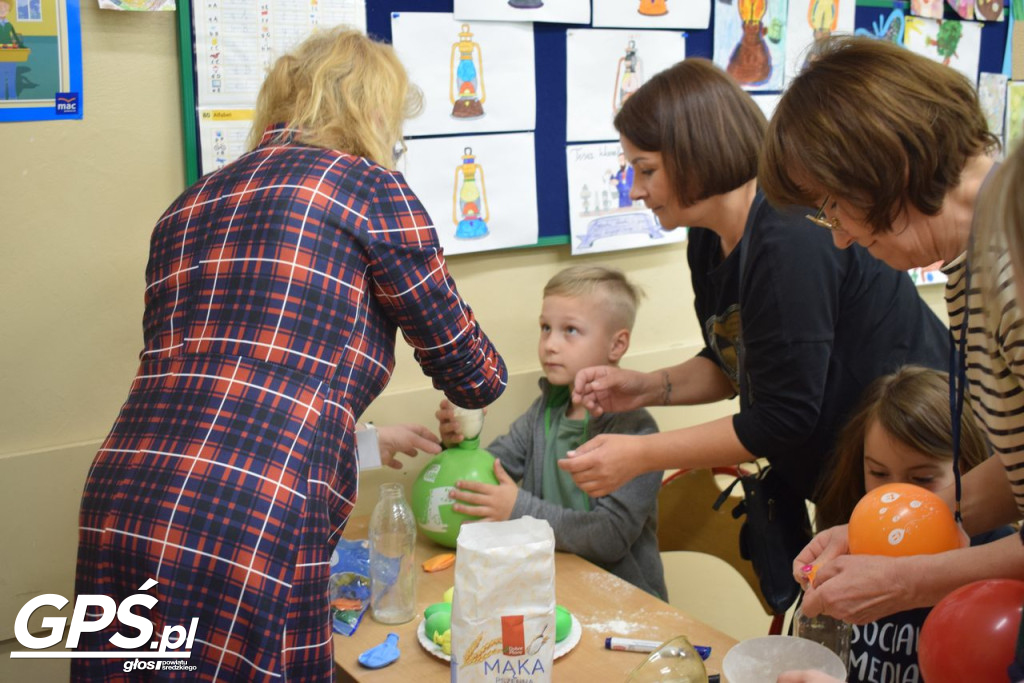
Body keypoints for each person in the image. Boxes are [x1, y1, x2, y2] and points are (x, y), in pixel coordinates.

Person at [73, 28, 507, 682]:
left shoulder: (189, 204)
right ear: (373, 111)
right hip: (253, 506)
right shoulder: (367, 188)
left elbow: (224, 377)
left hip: (126, 491)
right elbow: (472, 372)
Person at [558, 59, 947, 527]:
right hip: (847, 479)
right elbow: (740, 361)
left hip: (918, 470)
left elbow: (784, 416)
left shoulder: (789, 234)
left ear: (694, 154)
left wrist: (641, 454)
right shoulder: (707, 236)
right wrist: (646, 388)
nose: (635, 190)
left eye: (646, 170)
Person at [758, 35, 1024, 627]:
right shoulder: (974, 262)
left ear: (887, 168)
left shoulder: (1014, 268)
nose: (840, 237)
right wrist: (884, 526)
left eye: (833, 205)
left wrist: (908, 578)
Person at [436, 265, 667, 599]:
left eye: (570, 330)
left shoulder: (637, 431)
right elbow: (490, 469)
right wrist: (461, 441)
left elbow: (609, 537)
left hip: (622, 602)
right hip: (553, 589)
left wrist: (518, 510)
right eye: (546, 328)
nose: (550, 345)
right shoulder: (543, 411)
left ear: (617, 345)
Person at [813, 366, 1015, 682]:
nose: (895, 499)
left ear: (965, 468)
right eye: (878, 474)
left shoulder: (999, 563)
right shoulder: (850, 541)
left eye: (921, 479)